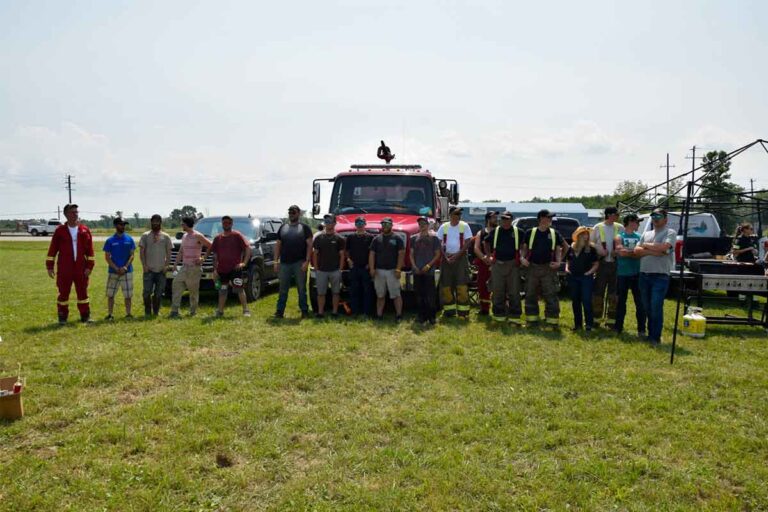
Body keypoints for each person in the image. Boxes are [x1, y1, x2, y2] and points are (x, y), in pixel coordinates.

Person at [45, 203, 95, 324]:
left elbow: (90, 251)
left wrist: (89, 266)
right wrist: (50, 266)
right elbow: (52, 250)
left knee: (83, 292)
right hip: (64, 268)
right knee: (63, 293)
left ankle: (85, 316)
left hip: (81, 268)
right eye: (73, 212)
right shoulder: (60, 231)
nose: (76, 214)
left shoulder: (84, 230)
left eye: (77, 212)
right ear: (66, 214)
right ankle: (62, 317)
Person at [634, 208, 676, 345]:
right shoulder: (646, 233)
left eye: (659, 216)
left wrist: (645, 247)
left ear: (665, 219)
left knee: (656, 306)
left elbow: (664, 248)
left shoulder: (670, 232)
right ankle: (650, 334)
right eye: (653, 216)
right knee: (647, 306)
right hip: (644, 275)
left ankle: (655, 337)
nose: (655, 218)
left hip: (660, 276)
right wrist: (653, 250)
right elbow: (636, 251)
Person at [521, 209, 564, 326]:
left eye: (551, 218)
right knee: (530, 294)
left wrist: (559, 262)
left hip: (548, 269)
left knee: (550, 294)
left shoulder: (555, 233)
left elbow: (560, 249)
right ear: (541, 218)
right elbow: (524, 247)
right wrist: (522, 258)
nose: (550, 220)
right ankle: (532, 319)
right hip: (532, 267)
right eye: (548, 217)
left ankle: (552, 321)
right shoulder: (530, 232)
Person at [484, 211, 524, 325]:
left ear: (512, 219)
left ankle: (515, 317)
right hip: (497, 265)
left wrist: (521, 256)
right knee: (497, 291)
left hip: (513, 265)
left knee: (514, 292)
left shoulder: (518, 232)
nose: (505, 221)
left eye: (508, 219)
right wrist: (488, 256)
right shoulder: (495, 231)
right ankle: (498, 316)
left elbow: (524, 245)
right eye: (503, 219)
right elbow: (485, 242)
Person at [274, 205, 313, 319]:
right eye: (290, 212)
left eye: (294, 212)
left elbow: (310, 245)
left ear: (299, 213)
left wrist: (307, 261)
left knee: (301, 289)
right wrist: (276, 261)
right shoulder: (283, 228)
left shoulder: (305, 228)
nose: (291, 214)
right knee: (283, 289)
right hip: (284, 263)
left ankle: (304, 311)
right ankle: (279, 311)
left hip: (299, 263)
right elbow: (278, 245)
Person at [170, 216, 212, 318]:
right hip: (184, 267)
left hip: (194, 268)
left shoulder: (198, 235)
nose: (181, 225)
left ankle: (193, 312)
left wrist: (203, 258)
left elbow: (210, 245)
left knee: (193, 291)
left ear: (187, 224)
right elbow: (181, 251)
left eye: (182, 224)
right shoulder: (184, 236)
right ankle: (174, 311)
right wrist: (175, 265)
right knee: (176, 285)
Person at [436, 206, 474, 319]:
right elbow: (438, 243)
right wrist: (445, 257)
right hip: (446, 258)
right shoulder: (444, 227)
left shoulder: (464, 226)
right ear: (450, 215)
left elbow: (468, 242)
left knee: (461, 285)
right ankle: (449, 311)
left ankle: (463, 312)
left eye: (459, 214)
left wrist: (457, 255)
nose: (458, 216)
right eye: (456, 214)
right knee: (446, 286)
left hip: (461, 259)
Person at [211, 216, 252, 317]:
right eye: (224, 223)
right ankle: (220, 311)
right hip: (222, 270)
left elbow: (248, 248)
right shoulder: (217, 238)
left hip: (235, 269)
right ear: (222, 224)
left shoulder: (237, 235)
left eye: (228, 223)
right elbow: (215, 255)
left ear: (232, 224)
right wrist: (215, 269)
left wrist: (244, 263)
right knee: (223, 290)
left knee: (239, 289)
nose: (226, 224)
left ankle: (245, 310)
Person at [615, 213, 647, 336]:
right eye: (637, 222)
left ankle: (641, 330)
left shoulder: (640, 236)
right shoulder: (619, 236)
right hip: (622, 274)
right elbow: (620, 252)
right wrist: (635, 253)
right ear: (630, 222)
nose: (638, 224)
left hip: (637, 273)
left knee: (640, 303)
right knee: (621, 302)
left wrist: (629, 252)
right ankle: (618, 328)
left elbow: (642, 252)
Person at [369, 216, 405, 321]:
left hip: (393, 271)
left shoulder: (397, 238)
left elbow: (401, 254)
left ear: (391, 225)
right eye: (383, 224)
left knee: (396, 294)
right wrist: (372, 268)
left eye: (388, 224)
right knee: (380, 295)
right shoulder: (376, 239)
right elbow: (372, 254)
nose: (385, 226)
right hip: (379, 271)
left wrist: (398, 269)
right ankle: (379, 315)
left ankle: (399, 315)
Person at [590, 206, 620, 327]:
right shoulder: (598, 227)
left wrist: (617, 251)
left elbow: (623, 243)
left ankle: (611, 321)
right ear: (609, 215)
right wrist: (599, 248)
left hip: (615, 264)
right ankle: (596, 320)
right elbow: (590, 242)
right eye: (615, 214)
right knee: (598, 293)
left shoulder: (620, 227)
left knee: (614, 294)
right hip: (601, 264)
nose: (617, 217)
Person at [565, 227, 599, 331]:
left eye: (587, 234)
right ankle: (577, 324)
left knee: (586, 300)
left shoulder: (591, 249)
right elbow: (568, 260)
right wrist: (567, 268)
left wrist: (589, 272)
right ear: (578, 235)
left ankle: (589, 324)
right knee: (575, 301)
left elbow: (596, 264)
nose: (586, 236)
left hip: (586, 278)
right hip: (573, 277)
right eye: (583, 234)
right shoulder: (572, 247)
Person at [139, 214, 172, 317]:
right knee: (146, 292)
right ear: (151, 222)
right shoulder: (145, 235)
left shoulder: (166, 236)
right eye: (153, 222)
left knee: (159, 293)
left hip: (161, 270)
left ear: (160, 223)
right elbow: (141, 251)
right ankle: (148, 312)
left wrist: (166, 266)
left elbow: (169, 253)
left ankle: (156, 312)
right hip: (148, 270)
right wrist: (144, 265)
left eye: (157, 222)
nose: (155, 223)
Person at [313, 214, 346, 318]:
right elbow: (315, 254)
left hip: (335, 270)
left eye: (330, 221)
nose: (328, 223)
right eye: (326, 222)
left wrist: (340, 269)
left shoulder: (340, 238)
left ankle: (335, 312)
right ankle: (320, 312)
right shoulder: (318, 238)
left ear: (335, 223)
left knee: (335, 292)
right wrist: (316, 268)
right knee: (320, 293)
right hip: (321, 270)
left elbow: (342, 255)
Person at [410, 216, 442, 325]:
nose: (422, 226)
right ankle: (421, 316)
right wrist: (414, 266)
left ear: (428, 225)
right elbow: (411, 254)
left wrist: (428, 266)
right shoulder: (413, 238)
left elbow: (437, 254)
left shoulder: (434, 238)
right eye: (420, 224)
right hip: (417, 270)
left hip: (429, 271)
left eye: (424, 224)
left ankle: (431, 316)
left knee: (430, 294)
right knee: (419, 294)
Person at [103, 217, 136, 320]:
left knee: (128, 295)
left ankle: (128, 314)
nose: (123, 226)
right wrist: (116, 268)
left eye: (124, 224)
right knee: (110, 295)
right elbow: (107, 257)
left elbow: (132, 255)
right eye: (121, 224)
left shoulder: (129, 239)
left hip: (127, 271)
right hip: (113, 272)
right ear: (115, 225)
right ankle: (110, 314)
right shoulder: (110, 241)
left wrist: (125, 267)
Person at [345, 216, 374, 317]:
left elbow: (372, 252)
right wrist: (348, 259)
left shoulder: (370, 237)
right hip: (354, 267)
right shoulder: (350, 237)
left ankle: (367, 312)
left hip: (366, 268)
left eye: (361, 223)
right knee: (354, 290)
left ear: (365, 224)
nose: (360, 226)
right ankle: (354, 311)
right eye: (358, 224)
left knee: (367, 290)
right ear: (355, 225)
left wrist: (369, 265)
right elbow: (347, 251)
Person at [473, 211, 498, 316]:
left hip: (497, 263)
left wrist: (494, 258)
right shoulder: (481, 232)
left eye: (496, 217)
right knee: (482, 286)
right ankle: (484, 309)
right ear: (488, 219)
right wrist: (484, 258)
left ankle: (500, 308)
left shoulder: (499, 231)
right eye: (493, 217)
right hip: (484, 263)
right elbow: (476, 248)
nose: (496, 219)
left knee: (499, 286)